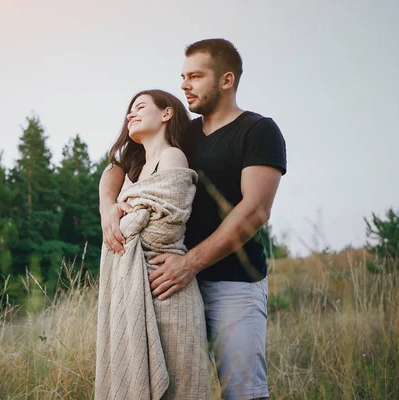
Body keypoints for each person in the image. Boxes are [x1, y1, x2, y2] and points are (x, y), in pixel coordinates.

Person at [99, 39, 287, 400]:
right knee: (176, 388)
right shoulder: (181, 135)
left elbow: (256, 210)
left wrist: (189, 264)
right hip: (171, 286)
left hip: (233, 283)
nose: (184, 85)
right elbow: (115, 168)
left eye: (196, 76)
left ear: (226, 80)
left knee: (242, 392)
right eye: (183, 77)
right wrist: (108, 208)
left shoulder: (258, 130)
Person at [95, 89, 210, 400]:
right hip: (135, 291)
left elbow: (160, 228)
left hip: (165, 291)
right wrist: (111, 207)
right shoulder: (135, 170)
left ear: (166, 114)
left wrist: (122, 213)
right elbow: (111, 170)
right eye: (129, 110)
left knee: (178, 389)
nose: (131, 114)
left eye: (140, 107)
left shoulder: (172, 156)